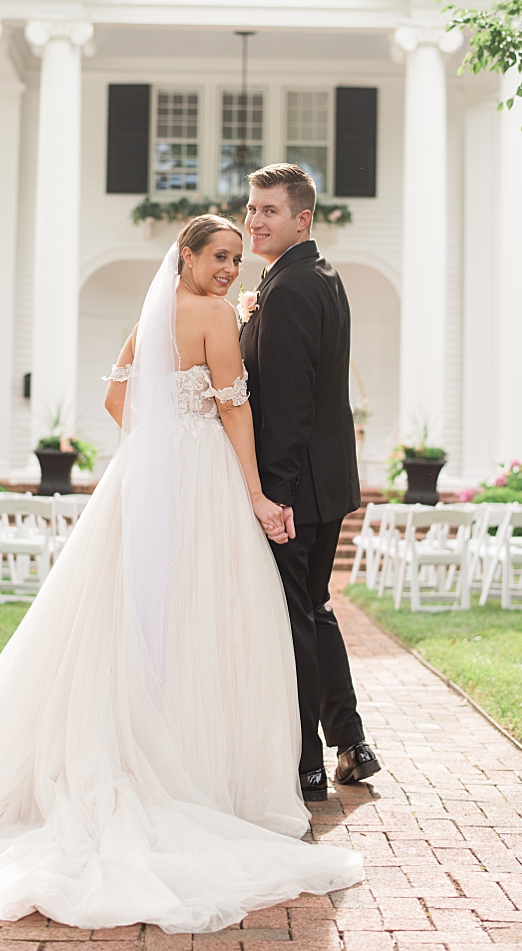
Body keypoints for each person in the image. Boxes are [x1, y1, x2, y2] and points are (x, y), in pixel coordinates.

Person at [0, 216, 363, 930]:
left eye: (237, 258)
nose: (231, 269)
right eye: (221, 257)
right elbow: (237, 416)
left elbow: (117, 395)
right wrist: (255, 491)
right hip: (202, 474)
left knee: (131, 613)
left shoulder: (156, 312)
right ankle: (197, 768)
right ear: (189, 255)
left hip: (143, 474)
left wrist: (160, 441)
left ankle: (146, 744)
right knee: (206, 615)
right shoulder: (212, 316)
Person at [239, 164, 379, 799]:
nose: (253, 220)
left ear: (303, 218)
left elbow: (289, 407)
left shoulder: (291, 289)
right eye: (250, 208)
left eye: (269, 210)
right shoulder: (314, 276)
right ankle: (351, 743)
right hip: (327, 481)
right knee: (314, 611)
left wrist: (274, 498)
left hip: (297, 488)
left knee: (294, 618)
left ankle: (306, 764)